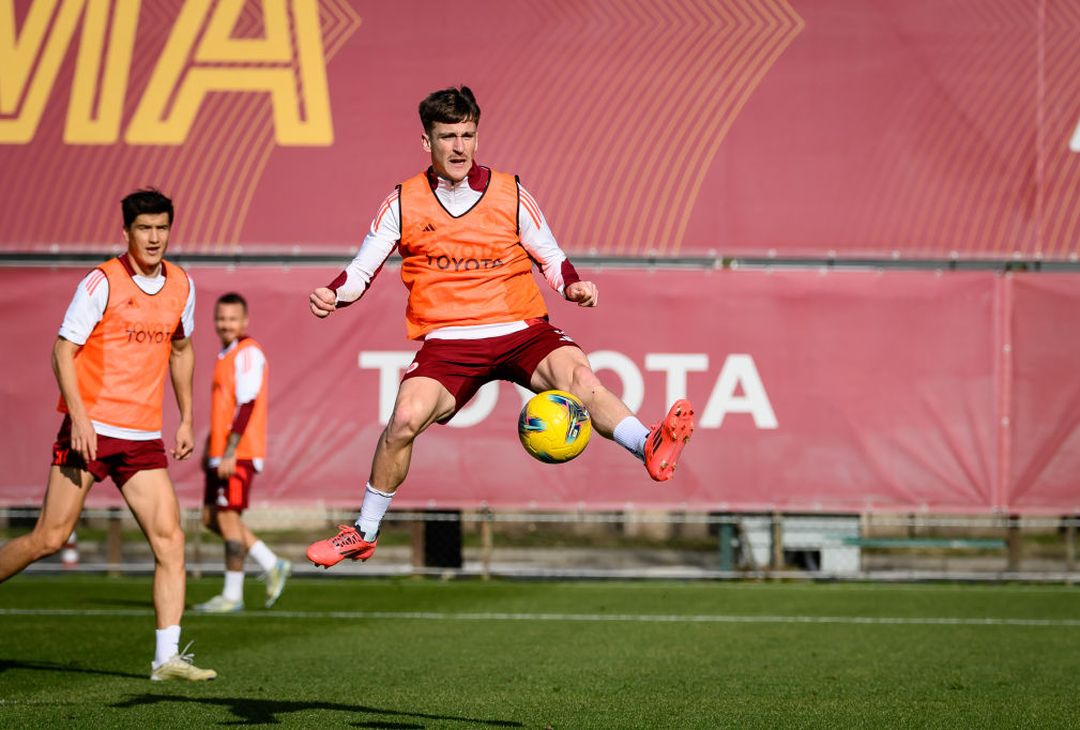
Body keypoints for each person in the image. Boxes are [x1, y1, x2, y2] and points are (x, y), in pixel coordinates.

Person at [305, 86, 694, 568]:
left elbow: (550, 255)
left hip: (520, 327)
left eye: (467, 135)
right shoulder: (403, 202)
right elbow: (359, 271)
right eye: (447, 136)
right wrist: (333, 294)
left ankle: (648, 444)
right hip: (449, 341)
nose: (459, 147)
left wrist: (571, 287)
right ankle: (363, 531)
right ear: (426, 142)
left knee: (579, 377)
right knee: (403, 420)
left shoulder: (510, 192)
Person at [0, 188, 216, 681]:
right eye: (145, 229)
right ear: (127, 232)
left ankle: (166, 660)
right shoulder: (102, 281)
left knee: (171, 541)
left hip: (141, 438)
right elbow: (62, 350)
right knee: (49, 538)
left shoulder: (183, 284)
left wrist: (185, 417)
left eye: (162, 227)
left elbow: (181, 350)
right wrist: (77, 417)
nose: (154, 237)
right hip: (91, 428)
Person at [194, 292, 290, 613]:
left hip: (239, 452)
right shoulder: (226, 353)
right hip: (221, 452)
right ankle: (271, 562)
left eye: (232, 318)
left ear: (245, 321)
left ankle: (232, 595)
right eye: (221, 318)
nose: (226, 324)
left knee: (227, 518)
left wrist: (231, 451)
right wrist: (212, 448)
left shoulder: (248, 353)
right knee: (212, 518)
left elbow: (247, 404)